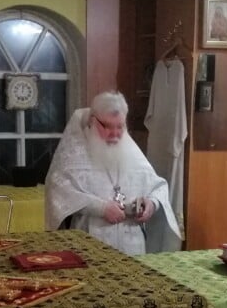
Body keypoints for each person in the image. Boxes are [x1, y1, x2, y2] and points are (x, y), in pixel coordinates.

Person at [44, 91, 181, 255]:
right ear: (93, 121)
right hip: (90, 243)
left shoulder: (131, 150)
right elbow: (58, 190)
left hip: (132, 244)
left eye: (120, 126)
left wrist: (151, 204)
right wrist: (100, 208)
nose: (115, 134)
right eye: (108, 126)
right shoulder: (75, 153)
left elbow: (158, 187)